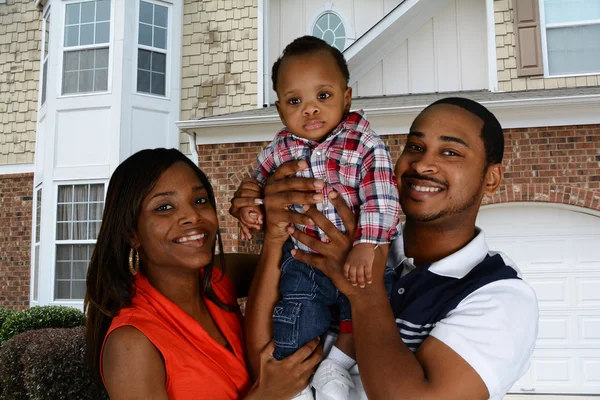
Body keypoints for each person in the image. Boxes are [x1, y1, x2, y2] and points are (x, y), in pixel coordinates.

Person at [233, 97, 539, 400]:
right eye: (416, 147)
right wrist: (274, 235)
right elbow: (268, 363)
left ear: (492, 178)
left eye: (450, 152)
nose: (422, 164)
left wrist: (363, 289)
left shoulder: (501, 296)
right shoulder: (346, 241)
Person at [230, 35, 400, 400]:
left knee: (365, 312)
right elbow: (256, 182)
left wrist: (367, 244)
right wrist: (249, 205)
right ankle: (294, 381)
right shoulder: (281, 147)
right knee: (296, 310)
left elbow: (381, 199)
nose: (310, 109)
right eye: (295, 101)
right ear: (279, 110)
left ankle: (335, 366)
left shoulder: (364, 143)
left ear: (347, 97)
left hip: (360, 255)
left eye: (322, 96)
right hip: (304, 260)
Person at [84, 148, 322, 400]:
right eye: (164, 207)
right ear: (132, 234)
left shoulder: (219, 279)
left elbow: (303, 269)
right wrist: (267, 394)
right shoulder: (131, 344)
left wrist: (263, 205)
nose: (192, 216)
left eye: (199, 201)